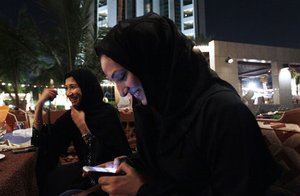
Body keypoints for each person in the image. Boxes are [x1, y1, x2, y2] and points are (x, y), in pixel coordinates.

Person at [93, 13, 281, 195]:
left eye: (122, 77)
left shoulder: (223, 111)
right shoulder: (152, 108)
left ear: (153, 64)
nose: (121, 91)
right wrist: (127, 167)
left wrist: (144, 190)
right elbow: (162, 165)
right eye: (113, 81)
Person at [32, 68, 131, 196]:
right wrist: (39, 105)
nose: (68, 93)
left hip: (109, 174)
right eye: (66, 88)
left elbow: (106, 156)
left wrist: (83, 127)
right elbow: (42, 141)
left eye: (72, 87)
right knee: (51, 178)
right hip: (86, 170)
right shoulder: (73, 114)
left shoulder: (107, 113)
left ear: (87, 87)